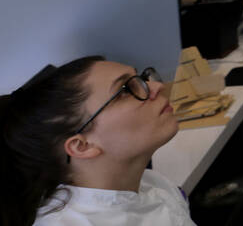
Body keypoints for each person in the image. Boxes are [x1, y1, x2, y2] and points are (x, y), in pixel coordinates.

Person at [0, 56, 194, 226]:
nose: (157, 86)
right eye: (126, 90)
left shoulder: (153, 182)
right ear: (82, 146)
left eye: (141, 78)